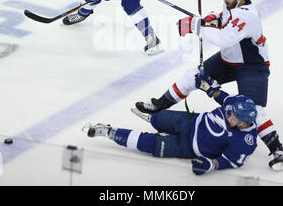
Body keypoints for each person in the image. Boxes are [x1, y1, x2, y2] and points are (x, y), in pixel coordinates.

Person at [135, 0, 283, 171]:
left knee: (253, 109)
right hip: (228, 61)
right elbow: (224, 20)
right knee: (194, 76)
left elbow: (225, 38)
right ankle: (159, 104)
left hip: (252, 66)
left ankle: (278, 150)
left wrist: (196, 26)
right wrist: (210, 19)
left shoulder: (247, 15)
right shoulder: (231, 6)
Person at [83, 75, 258, 176]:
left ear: (243, 123)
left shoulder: (246, 141)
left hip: (188, 147)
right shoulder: (238, 104)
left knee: (147, 143)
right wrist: (208, 88)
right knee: (156, 118)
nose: (228, 112)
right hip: (190, 121)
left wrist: (211, 165)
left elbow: (231, 161)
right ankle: (157, 123)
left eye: (232, 115)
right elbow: (224, 99)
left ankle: (108, 132)